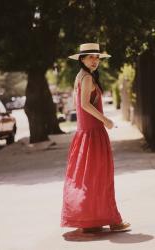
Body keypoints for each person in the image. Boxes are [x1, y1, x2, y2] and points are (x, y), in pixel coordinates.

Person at [60, 43, 131, 233]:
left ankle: (92, 220)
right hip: (92, 134)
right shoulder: (86, 78)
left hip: (85, 134)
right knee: (101, 178)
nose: (95, 60)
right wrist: (106, 120)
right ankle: (111, 221)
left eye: (97, 57)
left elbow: (81, 104)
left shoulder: (81, 76)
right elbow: (84, 105)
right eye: (90, 57)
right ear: (82, 59)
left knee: (89, 179)